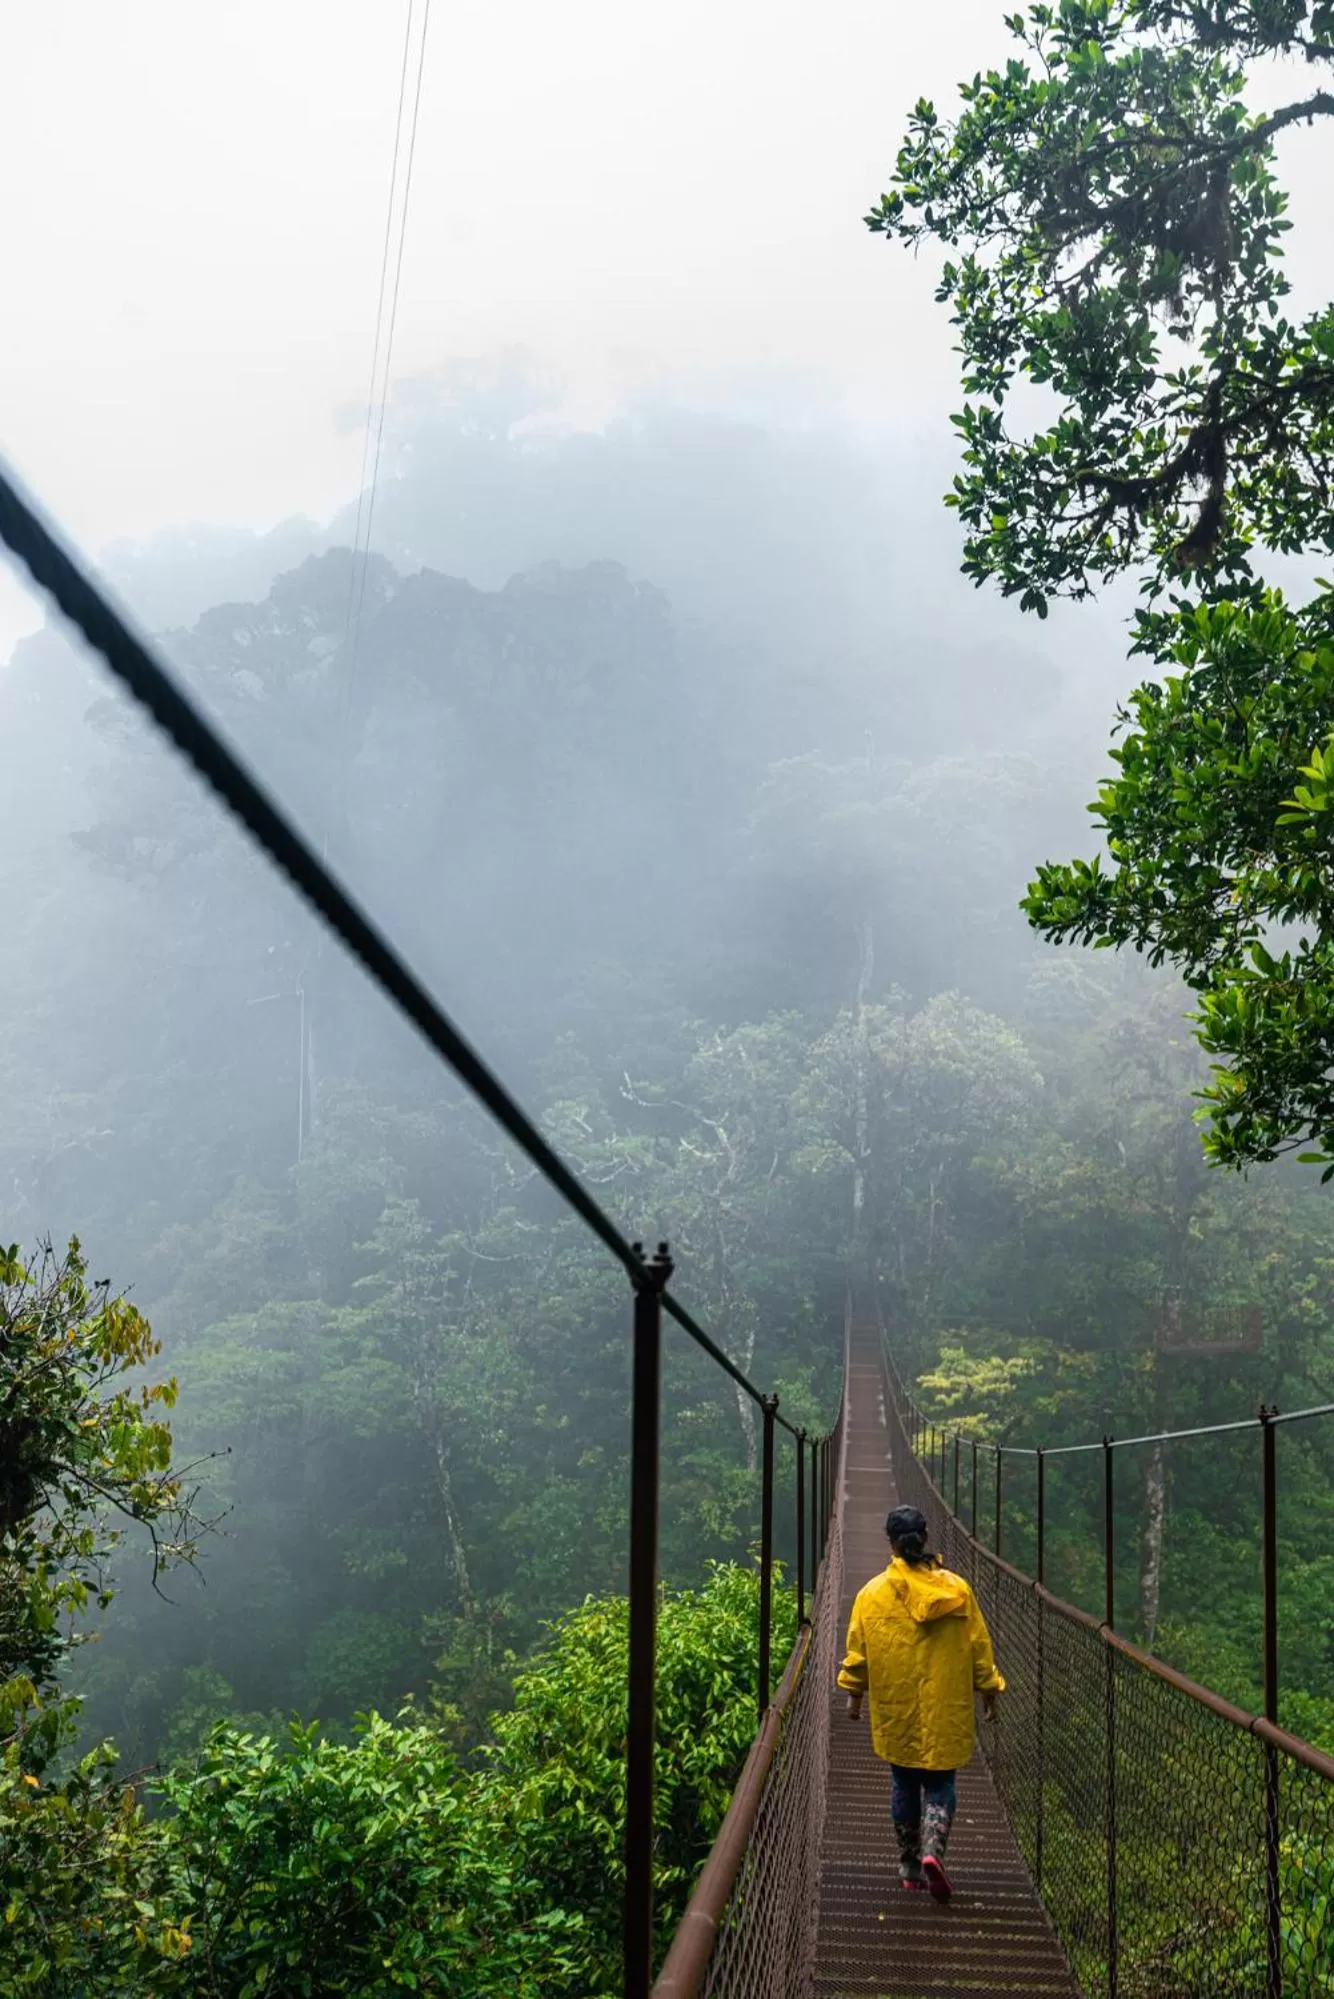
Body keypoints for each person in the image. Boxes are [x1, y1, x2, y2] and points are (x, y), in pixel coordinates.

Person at [838, 1503, 1005, 1900]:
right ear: (925, 1538)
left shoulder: (870, 1595)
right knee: (942, 1781)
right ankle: (934, 1850)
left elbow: (857, 1656)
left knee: (904, 1780)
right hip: (946, 1708)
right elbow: (979, 1648)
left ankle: (910, 1864)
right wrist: (990, 1689)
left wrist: (854, 1697)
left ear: (890, 1543)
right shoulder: (957, 1590)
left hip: (897, 1710)